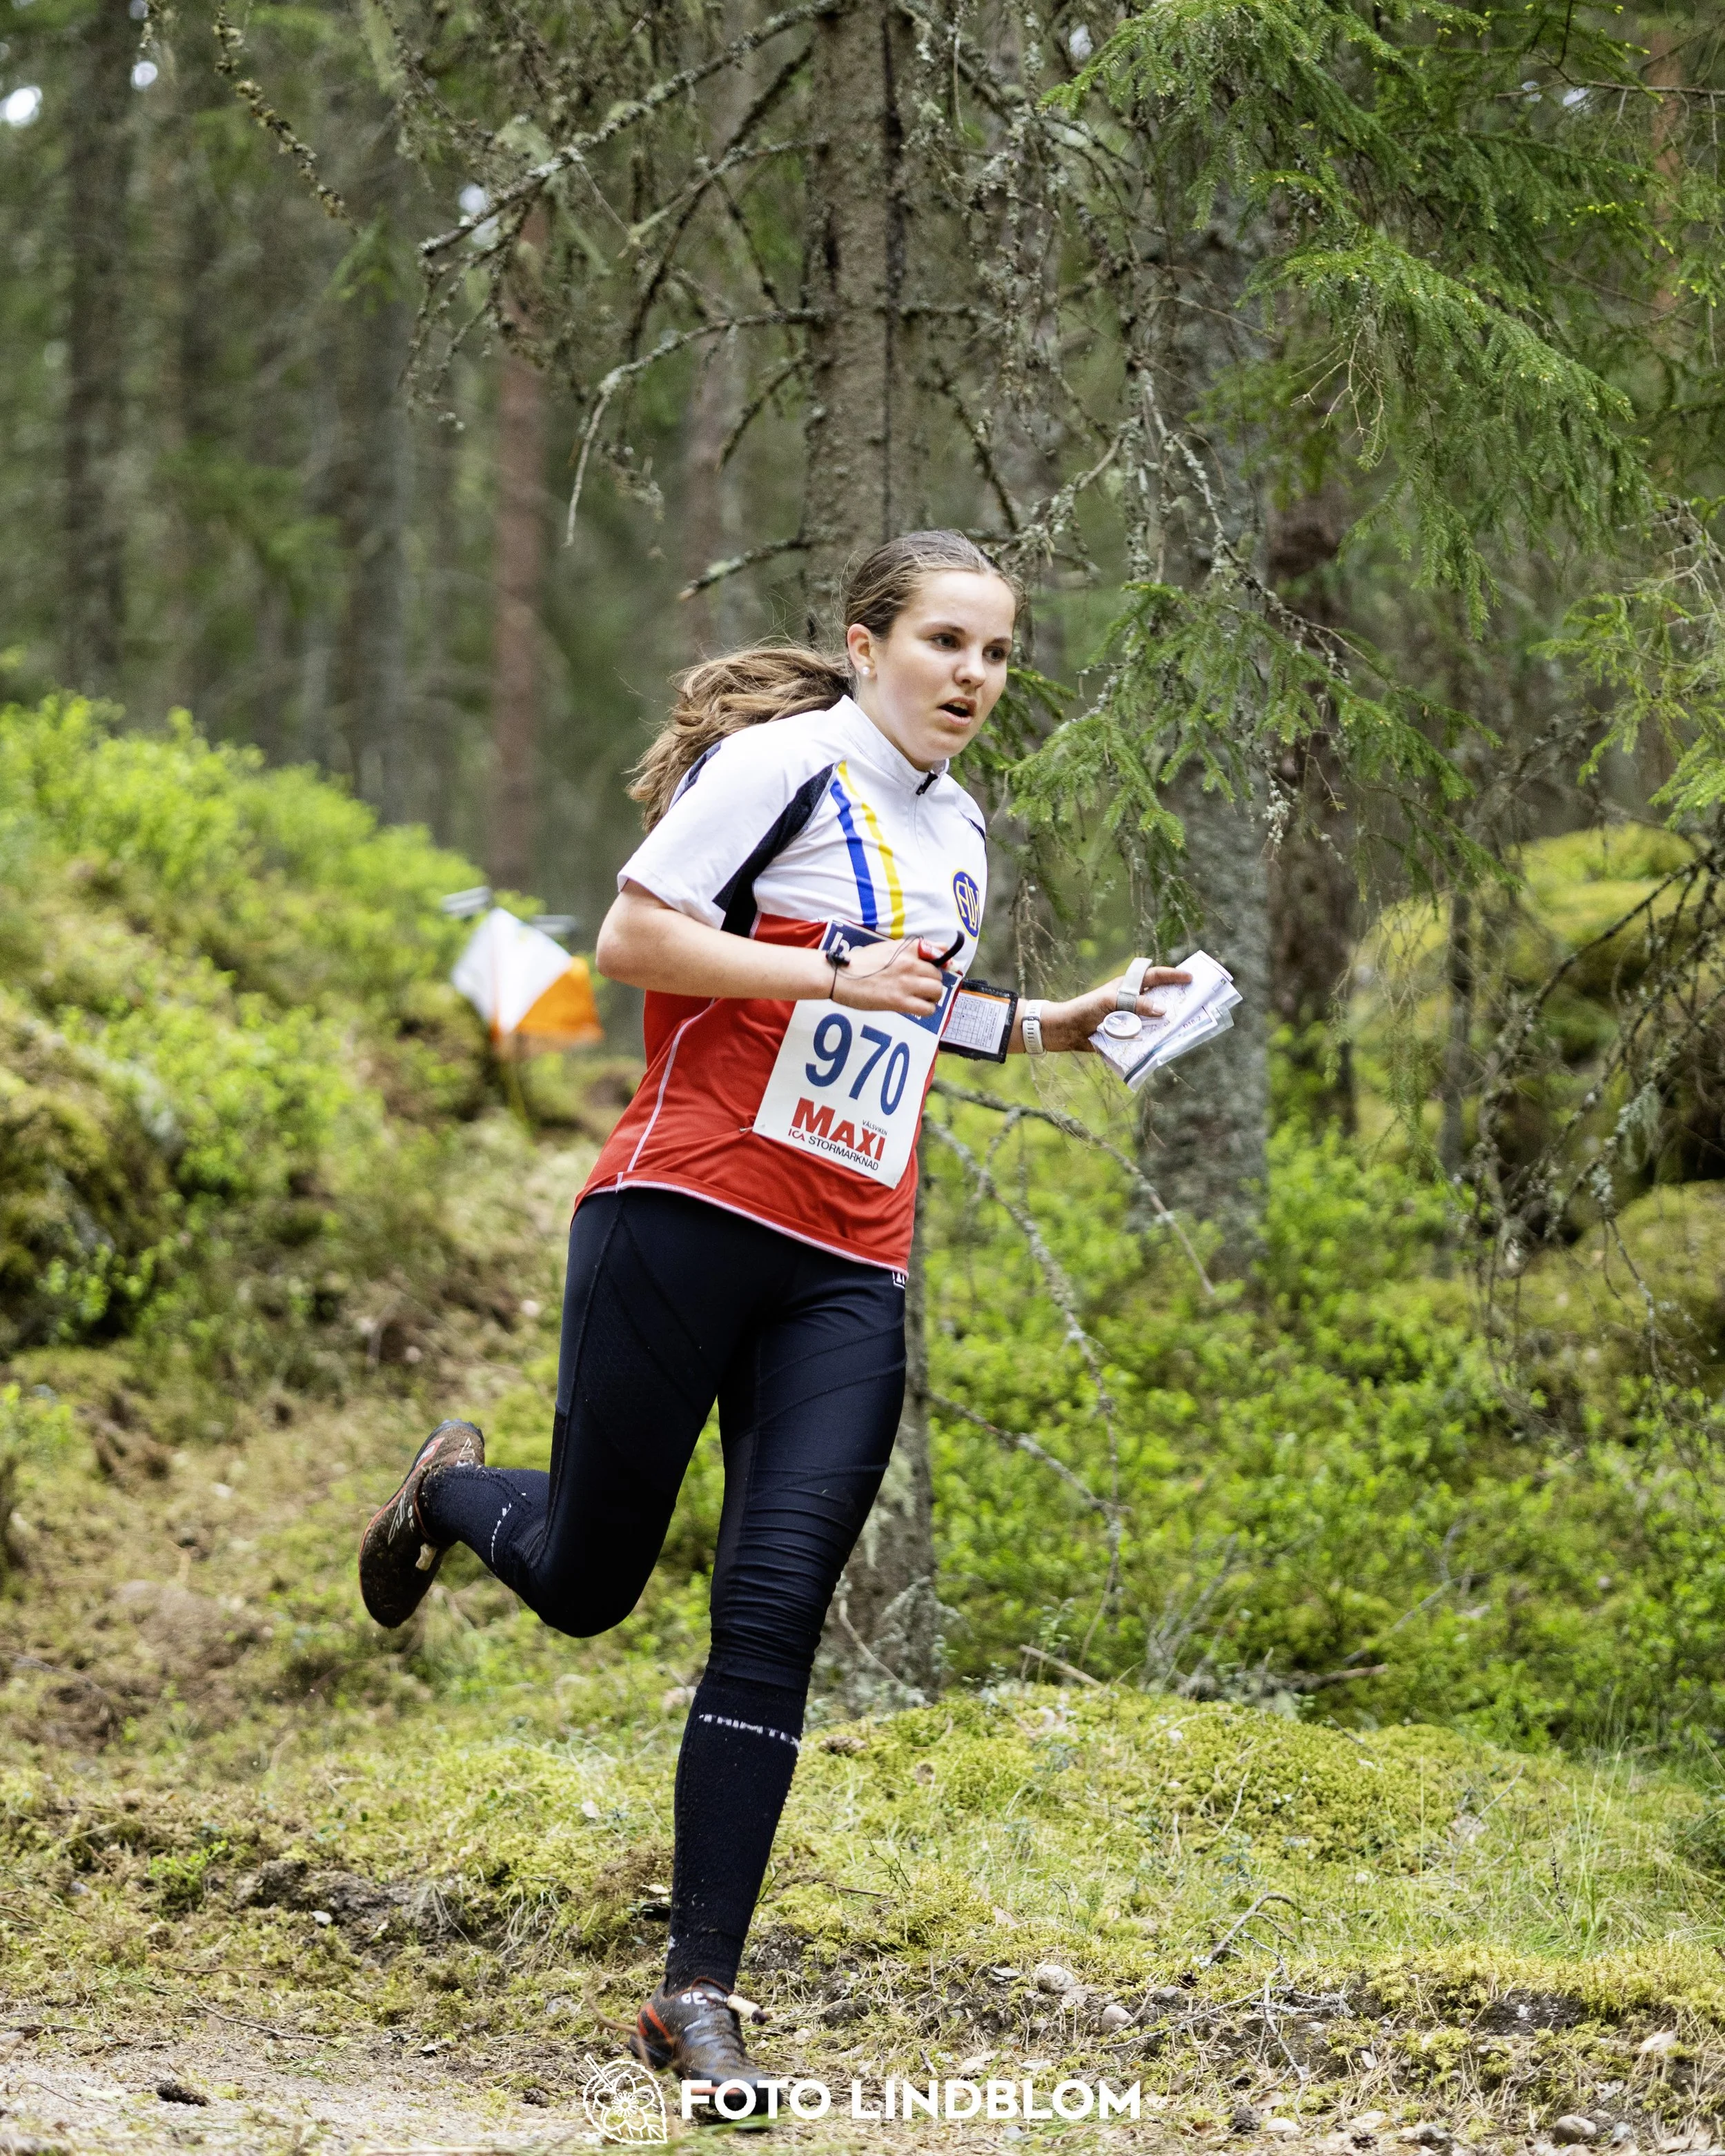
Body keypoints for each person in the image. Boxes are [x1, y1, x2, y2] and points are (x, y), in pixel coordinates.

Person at [357, 529, 1190, 2110]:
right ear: (867, 643)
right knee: (594, 1580)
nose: (972, 676)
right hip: (680, 1213)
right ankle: (450, 1494)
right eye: (945, 642)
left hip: (846, 1264)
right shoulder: (778, 764)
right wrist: (819, 976)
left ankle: (698, 1991)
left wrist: (1042, 1023)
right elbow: (632, 942)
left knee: (774, 1608)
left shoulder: (957, 828)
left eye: (998, 653)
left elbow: (907, 1001)